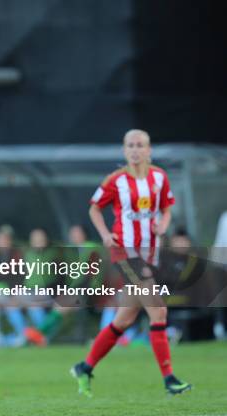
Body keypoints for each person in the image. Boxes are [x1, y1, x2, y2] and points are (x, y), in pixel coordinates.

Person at [70, 129, 191, 396]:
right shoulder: (116, 180)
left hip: (150, 253)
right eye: (130, 145)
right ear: (125, 151)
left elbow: (167, 208)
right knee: (158, 310)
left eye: (140, 145)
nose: (135, 150)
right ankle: (169, 379)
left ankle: (84, 367)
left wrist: (163, 224)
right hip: (126, 253)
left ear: (149, 150)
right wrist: (105, 235)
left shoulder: (160, 177)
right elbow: (94, 208)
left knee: (124, 319)